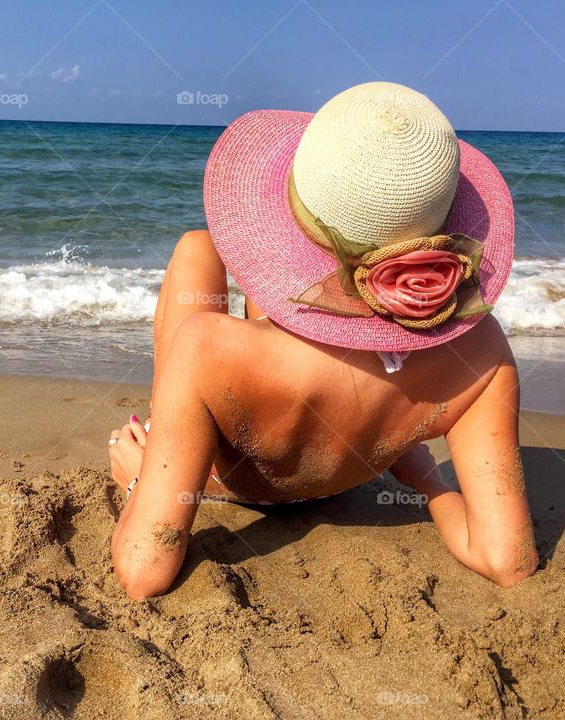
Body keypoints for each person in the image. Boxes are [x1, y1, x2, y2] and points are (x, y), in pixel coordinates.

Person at [107, 82, 538, 600]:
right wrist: (432, 485)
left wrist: (137, 482)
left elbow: (143, 573)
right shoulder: (485, 352)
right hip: (346, 470)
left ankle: (168, 442)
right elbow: (508, 561)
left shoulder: (207, 346)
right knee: (255, 300)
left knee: (197, 249)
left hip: (235, 480)